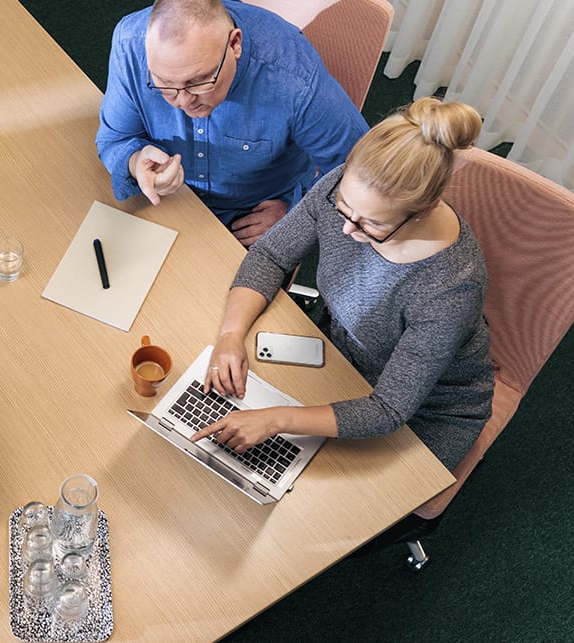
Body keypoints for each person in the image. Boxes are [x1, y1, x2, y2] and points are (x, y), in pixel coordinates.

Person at [193, 97, 493, 481]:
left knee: (309, 509)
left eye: (371, 225)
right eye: (343, 208)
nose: (348, 230)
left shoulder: (451, 287)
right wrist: (230, 336)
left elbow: (388, 409)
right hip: (341, 356)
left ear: (426, 208)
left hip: (424, 413)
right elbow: (271, 255)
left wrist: (277, 419)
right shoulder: (343, 185)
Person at [96, 0, 369, 246]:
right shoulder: (131, 44)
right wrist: (134, 162)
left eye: (198, 81)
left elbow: (364, 172)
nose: (183, 100)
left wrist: (296, 212)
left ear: (234, 44)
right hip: (168, 201)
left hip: (252, 218)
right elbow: (114, 139)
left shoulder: (293, 78)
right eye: (164, 84)